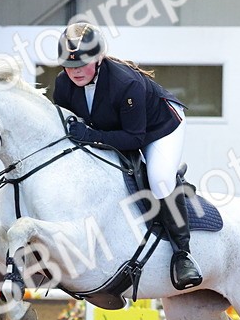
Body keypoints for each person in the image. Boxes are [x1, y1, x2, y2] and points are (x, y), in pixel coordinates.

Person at [52, 22, 202, 291]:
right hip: (112, 129)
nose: (74, 72)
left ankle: (183, 254)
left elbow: (134, 138)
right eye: (68, 65)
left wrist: (89, 136)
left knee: (159, 179)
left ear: (98, 58)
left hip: (159, 129)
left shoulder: (125, 82)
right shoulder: (63, 84)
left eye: (81, 64)